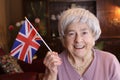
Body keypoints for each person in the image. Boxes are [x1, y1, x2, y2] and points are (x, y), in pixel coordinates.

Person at [43, 8, 120, 80]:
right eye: (71, 34)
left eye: (84, 33)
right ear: (64, 39)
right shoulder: (54, 64)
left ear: (93, 36)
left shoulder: (109, 61)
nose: (78, 40)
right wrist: (50, 75)